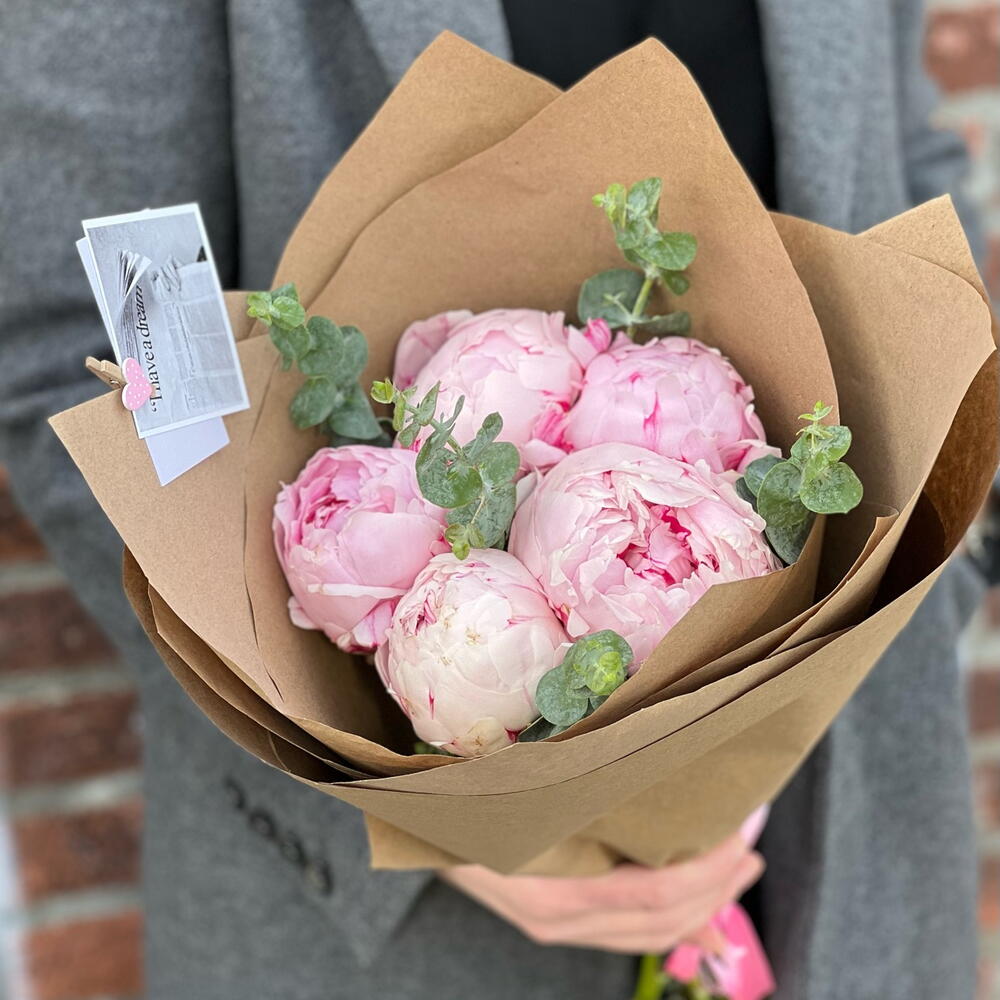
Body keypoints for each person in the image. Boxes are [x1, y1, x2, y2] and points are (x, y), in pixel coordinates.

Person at [0, 2, 987, 997]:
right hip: (397, 933)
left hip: (852, 849)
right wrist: (407, 803)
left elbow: (905, 177)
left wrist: (936, 565)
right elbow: (83, 335)